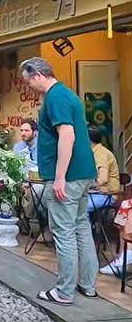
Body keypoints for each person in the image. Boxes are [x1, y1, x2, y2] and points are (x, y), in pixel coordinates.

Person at [20, 57, 99, 305]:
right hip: (84, 172)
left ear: (36, 75)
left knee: (63, 232)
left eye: (27, 81)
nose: (28, 87)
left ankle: (64, 292)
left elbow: (67, 134)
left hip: (69, 175)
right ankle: (87, 285)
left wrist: (60, 176)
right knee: (80, 228)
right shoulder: (68, 94)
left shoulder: (54, 97)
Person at [87, 126, 121, 216]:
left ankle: (85, 230)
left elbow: (102, 179)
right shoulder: (92, 153)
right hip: (95, 193)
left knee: (80, 208)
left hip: (107, 195)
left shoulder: (101, 154)